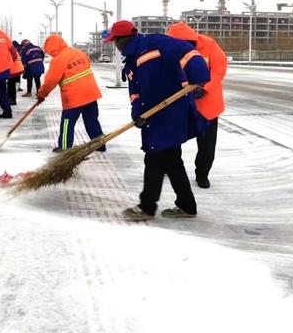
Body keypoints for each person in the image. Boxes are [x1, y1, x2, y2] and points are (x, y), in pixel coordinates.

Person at [104, 20, 210, 221]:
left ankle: (147, 206)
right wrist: (137, 112)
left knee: (154, 157)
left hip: (171, 111)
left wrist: (199, 73)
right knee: (171, 160)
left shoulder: (155, 42)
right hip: (153, 115)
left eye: (114, 42)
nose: (114, 46)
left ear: (120, 40)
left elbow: (186, 50)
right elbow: (134, 92)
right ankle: (186, 205)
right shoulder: (132, 61)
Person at [167, 22, 227, 189]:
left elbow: (219, 69)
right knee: (171, 138)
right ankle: (168, 165)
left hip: (207, 104)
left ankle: (202, 174)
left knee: (207, 144)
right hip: (180, 102)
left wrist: (204, 87)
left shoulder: (208, 44)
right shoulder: (168, 49)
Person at [36, 34, 105, 153]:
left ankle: (64, 146)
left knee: (67, 122)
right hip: (91, 92)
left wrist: (42, 94)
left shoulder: (58, 59)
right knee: (92, 120)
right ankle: (99, 144)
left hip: (74, 96)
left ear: (51, 48)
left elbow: (50, 81)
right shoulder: (78, 52)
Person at [7, 41, 25, 106]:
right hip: (18, 68)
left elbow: (10, 60)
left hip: (14, 69)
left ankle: (11, 100)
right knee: (12, 85)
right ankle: (12, 99)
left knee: (10, 85)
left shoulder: (8, 50)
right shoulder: (14, 49)